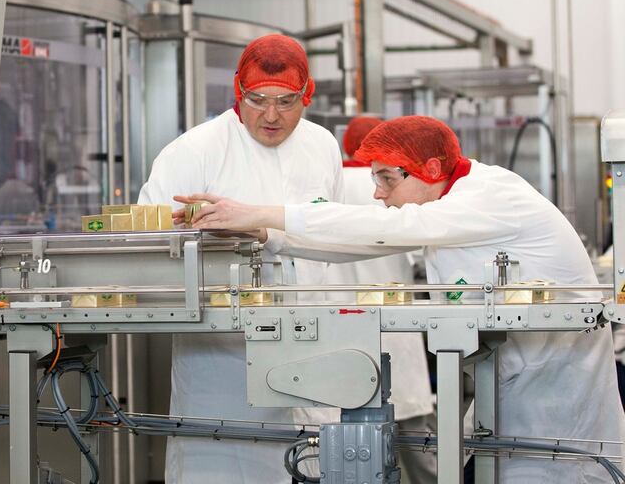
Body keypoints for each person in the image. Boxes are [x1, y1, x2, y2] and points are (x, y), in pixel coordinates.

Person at [179, 115, 625, 482]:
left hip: (554, 399)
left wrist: (254, 210)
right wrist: (265, 234)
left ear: (430, 168)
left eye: (387, 180)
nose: (377, 193)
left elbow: (387, 230)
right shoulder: (450, 201)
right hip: (512, 388)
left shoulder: (489, 196)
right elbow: (365, 243)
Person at [137, 33, 343, 483]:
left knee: (313, 463)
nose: (271, 115)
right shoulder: (194, 150)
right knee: (223, 464)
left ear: (307, 94)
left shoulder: (323, 145)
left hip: (311, 342)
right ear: (238, 91)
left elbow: (331, 233)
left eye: (286, 101)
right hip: (223, 353)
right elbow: (148, 244)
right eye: (257, 99)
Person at [328, 116, 436, 481]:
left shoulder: (331, 186)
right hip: (396, 336)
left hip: (343, 338)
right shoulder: (395, 186)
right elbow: (424, 254)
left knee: (353, 456)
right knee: (420, 455)